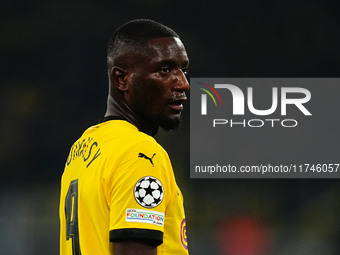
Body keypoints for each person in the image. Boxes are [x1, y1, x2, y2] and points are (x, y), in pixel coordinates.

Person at [59, 19, 190, 255]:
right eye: (165, 70)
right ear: (122, 79)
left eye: (183, 69)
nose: (183, 83)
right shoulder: (139, 153)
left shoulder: (84, 148)